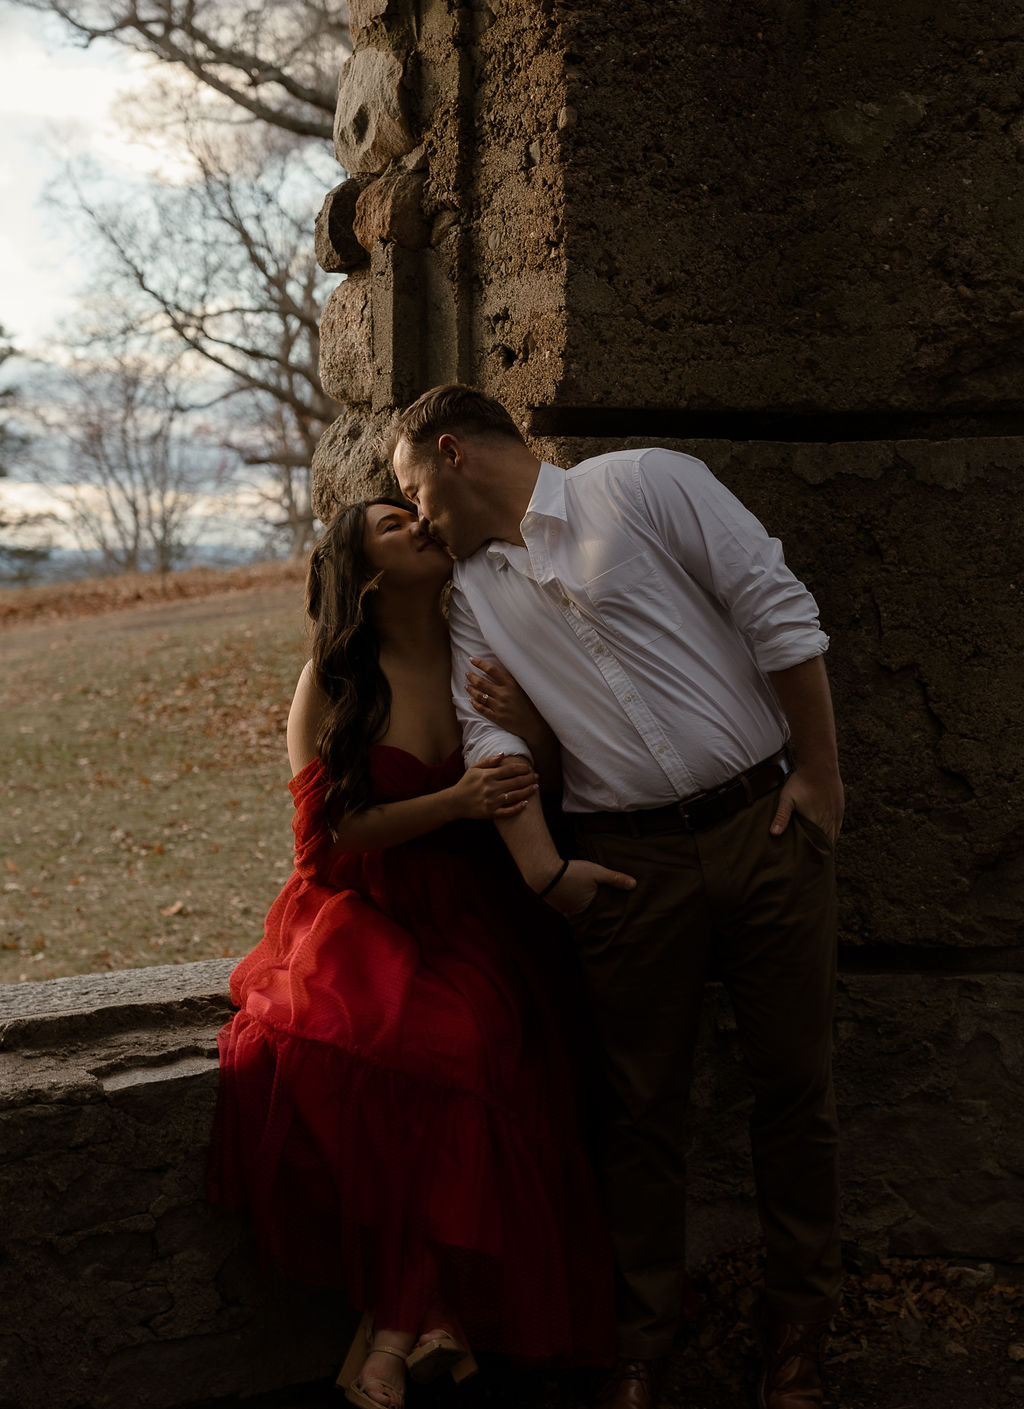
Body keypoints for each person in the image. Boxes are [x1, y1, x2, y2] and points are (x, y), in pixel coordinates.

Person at [389, 386, 844, 1409]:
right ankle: (638, 1343)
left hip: (762, 826)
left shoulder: (643, 482)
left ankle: (798, 1331)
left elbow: (776, 607)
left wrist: (818, 777)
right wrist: (544, 871)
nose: (416, 519)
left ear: (452, 451)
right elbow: (492, 741)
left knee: (795, 1091)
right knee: (636, 1111)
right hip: (627, 866)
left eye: (413, 490)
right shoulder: (470, 594)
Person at [206, 497, 616, 1409]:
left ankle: (408, 1328)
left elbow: (543, 776)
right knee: (387, 1046)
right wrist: (451, 804)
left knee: (480, 1048)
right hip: (367, 905)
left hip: (478, 906)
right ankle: (414, 1318)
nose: (422, 525)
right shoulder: (336, 677)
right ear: (371, 575)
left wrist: (535, 735)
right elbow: (327, 842)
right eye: (395, 526)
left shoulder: (483, 641)